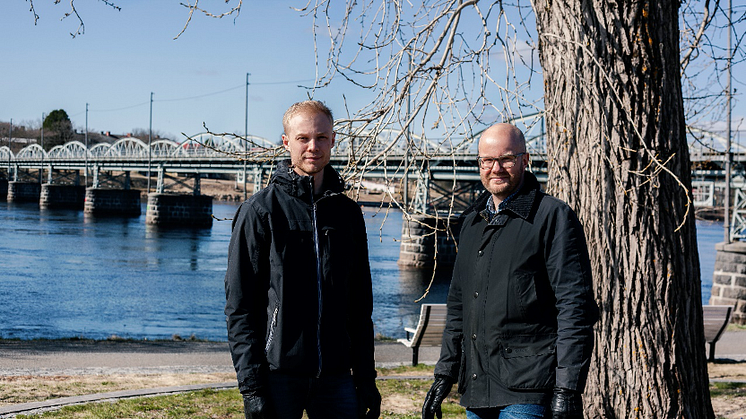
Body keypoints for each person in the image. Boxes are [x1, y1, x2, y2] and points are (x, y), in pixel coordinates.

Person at [421, 123, 598, 419]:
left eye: (507, 159)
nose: (496, 168)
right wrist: (444, 375)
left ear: (525, 160)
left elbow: (574, 307)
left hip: (530, 388)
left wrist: (567, 390)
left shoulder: (552, 216)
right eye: (487, 160)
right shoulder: (471, 224)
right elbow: (458, 307)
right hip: (477, 387)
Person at [224, 100, 381, 419]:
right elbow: (240, 308)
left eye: (322, 137)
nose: (313, 146)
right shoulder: (260, 212)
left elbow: (360, 305)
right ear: (286, 142)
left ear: (334, 140)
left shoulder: (348, 214)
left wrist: (366, 378)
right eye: (303, 138)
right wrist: (252, 387)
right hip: (278, 375)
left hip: (337, 376)